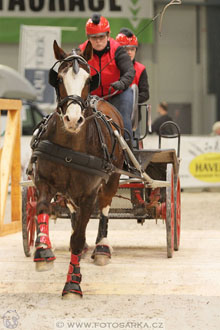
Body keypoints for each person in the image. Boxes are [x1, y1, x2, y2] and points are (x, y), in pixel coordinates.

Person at [79, 14, 135, 141]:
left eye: (101, 37)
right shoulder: (81, 52)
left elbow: (130, 71)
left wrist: (122, 83)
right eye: (94, 38)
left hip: (118, 93)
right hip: (92, 97)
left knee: (124, 118)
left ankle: (129, 152)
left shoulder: (118, 50)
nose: (98, 41)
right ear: (88, 38)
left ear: (108, 35)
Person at [115, 28, 149, 104]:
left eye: (132, 49)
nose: (129, 52)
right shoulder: (111, 67)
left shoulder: (141, 69)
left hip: (133, 113)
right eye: (126, 49)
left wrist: (129, 99)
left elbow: (145, 94)